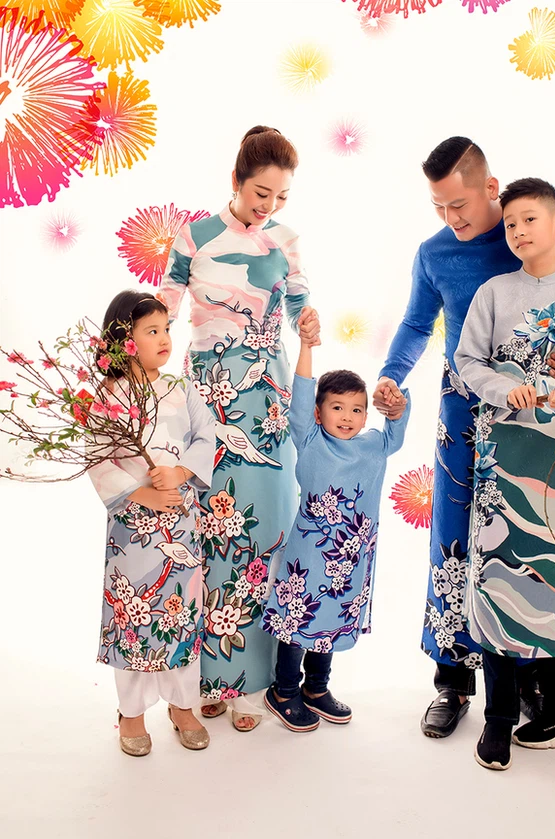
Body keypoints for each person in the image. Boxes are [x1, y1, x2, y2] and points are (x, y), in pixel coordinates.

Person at [373, 137, 555, 739]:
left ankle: (527, 676)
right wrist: (390, 376)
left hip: (535, 411)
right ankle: (452, 680)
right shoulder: (434, 253)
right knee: (453, 536)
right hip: (463, 408)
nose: (451, 218)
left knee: (527, 533)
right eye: (439, 207)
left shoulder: (538, 226)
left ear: (490, 188)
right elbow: (417, 322)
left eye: (459, 204)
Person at [158, 126, 320, 731]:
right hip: (206, 395)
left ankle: (253, 683)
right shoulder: (195, 236)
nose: (268, 206)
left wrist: (309, 324)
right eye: (260, 193)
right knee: (208, 531)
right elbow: (162, 310)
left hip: (268, 397)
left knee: (264, 529)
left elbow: (300, 306)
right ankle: (207, 678)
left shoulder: (286, 239)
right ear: (235, 180)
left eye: (280, 197)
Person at [454, 177, 555, 769]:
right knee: (494, 577)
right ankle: (498, 717)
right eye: (511, 223)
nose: (518, 231)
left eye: (529, 220)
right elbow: (466, 361)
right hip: (502, 456)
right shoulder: (494, 292)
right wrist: (505, 388)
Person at [260, 319, 411, 731]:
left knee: (328, 622)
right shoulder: (310, 440)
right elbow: (301, 393)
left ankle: (316, 688)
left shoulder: (374, 445)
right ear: (318, 412)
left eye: (357, 409)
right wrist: (307, 345)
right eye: (337, 407)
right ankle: (284, 691)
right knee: (299, 622)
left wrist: (396, 402)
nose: (348, 417)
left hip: (351, 560)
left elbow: (396, 429)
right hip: (309, 557)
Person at [89, 290, 216, 756]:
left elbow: (207, 437)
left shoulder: (182, 388)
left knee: (180, 614)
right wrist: (142, 493)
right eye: (152, 331)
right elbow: (98, 459)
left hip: (181, 520)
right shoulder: (108, 397)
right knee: (133, 616)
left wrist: (180, 473)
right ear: (125, 340)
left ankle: (183, 705)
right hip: (133, 531)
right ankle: (131, 713)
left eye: (166, 329)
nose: (164, 338)